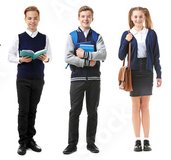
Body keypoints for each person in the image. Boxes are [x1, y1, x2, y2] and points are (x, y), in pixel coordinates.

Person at [8, 6, 52, 156]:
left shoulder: (44, 38)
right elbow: (10, 56)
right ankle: (22, 142)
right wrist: (20, 59)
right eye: (29, 18)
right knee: (23, 110)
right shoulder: (19, 37)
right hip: (23, 78)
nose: (32, 21)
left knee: (33, 110)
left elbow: (49, 56)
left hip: (38, 78)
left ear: (39, 19)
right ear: (25, 19)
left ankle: (31, 140)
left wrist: (46, 59)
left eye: (35, 18)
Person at [63, 5, 107, 155]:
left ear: (92, 18)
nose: (85, 19)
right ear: (78, 18)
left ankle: (91, 143)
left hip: (94, 79)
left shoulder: (97, 36)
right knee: (74, 112)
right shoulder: (72, 36)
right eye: (83, 16)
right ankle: (72, 144)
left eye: (88, 16)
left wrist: (86, 55)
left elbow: (103, 54)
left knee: (92, 112)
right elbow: (67, 57)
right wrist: (87, 62)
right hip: (77, 80)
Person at [118, 6, 161, 152]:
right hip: (133, 72)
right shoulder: (127, 33)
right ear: (131, 18)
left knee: (146, 106)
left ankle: (147, 140)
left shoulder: (151, 34)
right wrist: (126, 41)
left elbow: (156, 56)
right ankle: (137, 140)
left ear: (145, 17)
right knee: (136, 106)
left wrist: (159, 74)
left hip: (147, 71)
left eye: (140, 17)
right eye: (135, 17)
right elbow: (120, 55)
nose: (138, 19)